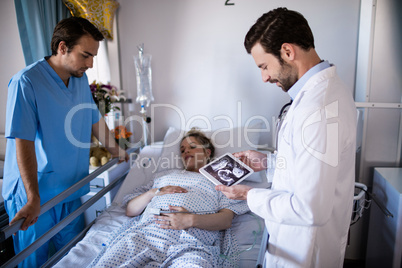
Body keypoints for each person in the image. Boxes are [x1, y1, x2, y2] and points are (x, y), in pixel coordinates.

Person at [216, 7, 357, 268]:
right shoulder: (322, 95)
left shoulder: (319, 109)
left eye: (264, 66)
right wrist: (269, 162)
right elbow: (308, 165)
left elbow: (309, 209)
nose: (265, 77)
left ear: (288, 52)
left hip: (305, 251)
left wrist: (248, 196)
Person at [3, 17, 128, 267]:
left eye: (93, 56)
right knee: (34, 261)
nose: (91, 64)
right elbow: (23, 141)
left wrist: (117, 150)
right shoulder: (26, 82)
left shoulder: (79, 78)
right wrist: (32, 198)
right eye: (85, 55)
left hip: (70, 187)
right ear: (62, 48)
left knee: (74, 256)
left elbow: (93, 117)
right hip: (37, 192)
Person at [89, 129, 249, 267]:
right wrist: (154, 192)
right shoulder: (164, 176)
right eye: (182, 149)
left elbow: (226, 220)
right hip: (146, 236)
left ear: (207, 152)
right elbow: (131, 210)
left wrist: (190, 220)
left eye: (192, 147)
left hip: (191, 243)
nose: (186, 151)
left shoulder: (222, 181)